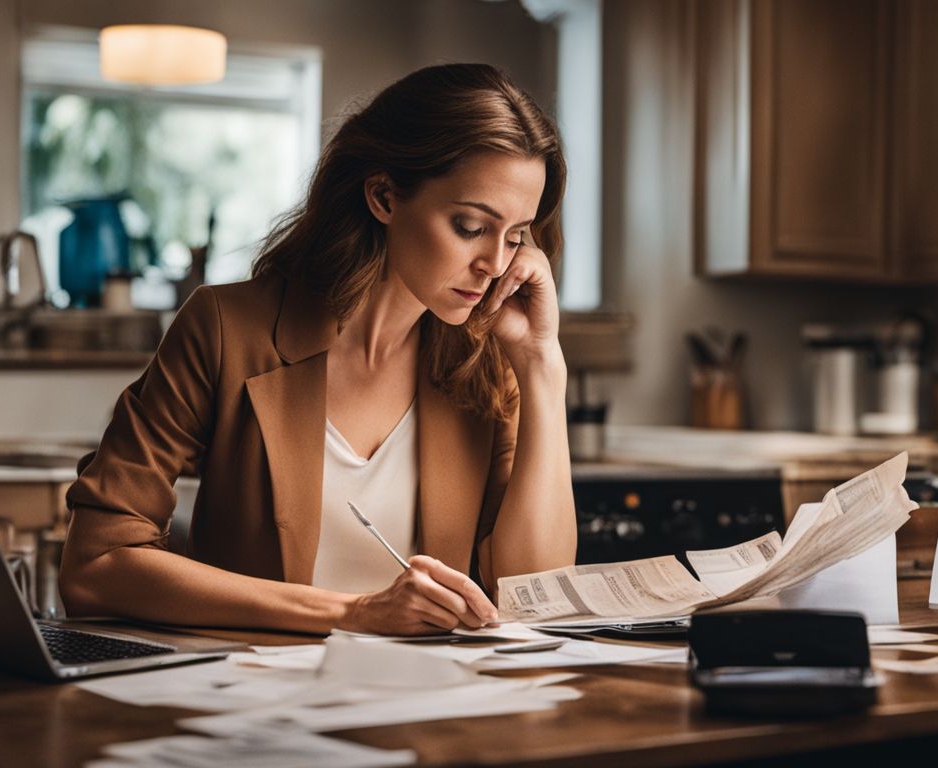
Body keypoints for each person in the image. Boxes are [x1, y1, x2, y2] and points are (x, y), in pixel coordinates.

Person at [58, 63, 577, 636]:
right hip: (250, 706)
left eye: (516, 235)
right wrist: (352, 613)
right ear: (383, 196)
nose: (496, 264)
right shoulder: (228, 329)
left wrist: (542, 366)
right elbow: (94, 566)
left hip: (429, 710)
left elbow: (537, 595)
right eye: (470, 226)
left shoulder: (487, 361)